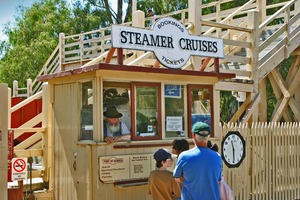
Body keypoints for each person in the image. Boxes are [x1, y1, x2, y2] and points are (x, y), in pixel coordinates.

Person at [173, 122, 222, 200]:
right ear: (208, 136)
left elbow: (177, 178)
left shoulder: (184, 156)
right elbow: (218, 180)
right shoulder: (217, 157)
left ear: (194, 135)